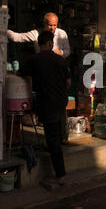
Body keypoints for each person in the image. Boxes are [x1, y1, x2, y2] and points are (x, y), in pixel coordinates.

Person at [8, 12, 71, 145]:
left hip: (58, 70)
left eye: (54, 25)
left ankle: (62, 138)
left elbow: (68, 51)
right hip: (43, 71)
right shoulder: (36, 34)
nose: (52, 28)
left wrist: (61, 53)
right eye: (50, 25)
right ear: (44, 24)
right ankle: (52, 143)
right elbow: (16, 37)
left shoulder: (62, 34)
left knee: (59, 110)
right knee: (49, 109)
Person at [19, 31, 71, 185]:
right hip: (61, 102)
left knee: (52, 138)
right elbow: (68, 82)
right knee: (56, 133)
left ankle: (60, 175)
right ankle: (58, 152)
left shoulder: (33, 60)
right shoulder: (60, 60)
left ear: (39, 44)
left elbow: (21, 74)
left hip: (46, 103)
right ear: (50, 44)